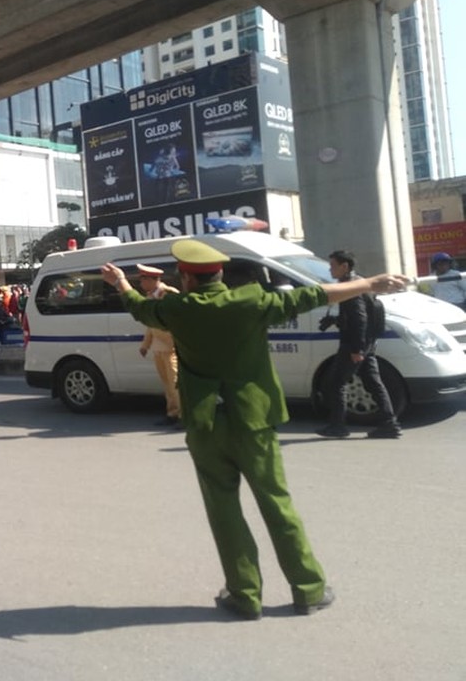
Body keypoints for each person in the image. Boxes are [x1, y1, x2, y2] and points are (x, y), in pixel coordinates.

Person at [101, 239, 410, 620]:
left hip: (206, 424)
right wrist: (370, 284)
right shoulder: (251, 302)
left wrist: (121, 282)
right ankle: (308, 589)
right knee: (277, 504)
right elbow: (314, 295)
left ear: (185, 277)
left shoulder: (176, 308)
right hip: (254, 422)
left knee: (224, 509)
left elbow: (140, 309)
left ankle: (244, 595)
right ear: (220, 275)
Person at [318, 250, 401, 439]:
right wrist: (334, 321)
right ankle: (390, 424)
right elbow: (356, 316)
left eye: (333, 265)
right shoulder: (360, 283)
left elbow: (359, 318)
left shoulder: (351, 287)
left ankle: (337, 426)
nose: (330, 269)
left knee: (336, 382)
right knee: (373, 382)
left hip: (353, 344)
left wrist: (356, 349)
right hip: (367, 342)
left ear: (344, 266)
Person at [135, 264, 181, 428]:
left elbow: (180, 321)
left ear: (151, 280)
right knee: (167, 384)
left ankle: (183, 415)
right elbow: (150, 325)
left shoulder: (168, 294)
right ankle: (172, 413)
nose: (141, 284)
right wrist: (145, 345)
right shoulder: (151, 297)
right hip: (159, 348)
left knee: (176, 383)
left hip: (172, 347)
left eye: (143, 280)